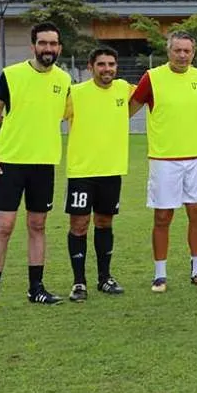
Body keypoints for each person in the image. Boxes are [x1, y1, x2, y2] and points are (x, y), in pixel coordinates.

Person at [0, 22, 71, 313]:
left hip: (44, 164)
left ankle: (36, 289)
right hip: (10, 163)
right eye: (43, 43)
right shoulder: (11, 75)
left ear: (59, 48)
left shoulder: (65, 80)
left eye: (53, 44)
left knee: (37, 225)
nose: (48, 49)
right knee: (3, 227)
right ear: (33, 46)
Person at [130, 31, 197, 292]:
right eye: (177, 50)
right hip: (164, 160)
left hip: (195, 158)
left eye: (187, 51)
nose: (182, 55)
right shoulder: (152, 78)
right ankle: (160, 274)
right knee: (163, 216)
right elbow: (127, 109)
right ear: (168, 52)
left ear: (193, 53)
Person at [64, 47, 134, 301]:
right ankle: (79, 282)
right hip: (82, 171)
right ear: (90, 66)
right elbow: (51, 115)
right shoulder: (77, 93)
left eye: (112, 64)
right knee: (79, 225)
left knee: (105, 223)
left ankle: (105, 278)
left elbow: (156, 90)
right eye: (102, 64)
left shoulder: (124, 89)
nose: (107, 69)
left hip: (112, 170)